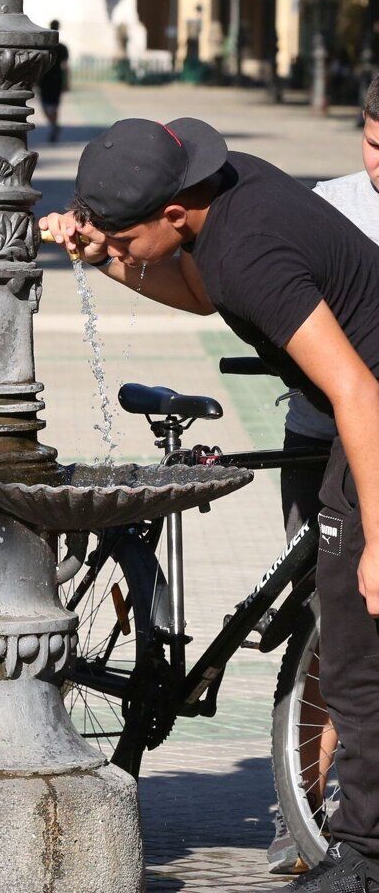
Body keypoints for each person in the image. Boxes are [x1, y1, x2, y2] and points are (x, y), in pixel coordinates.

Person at [40, 117, 379, 892]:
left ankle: (362, 858)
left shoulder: (249, 251)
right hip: (354, 410)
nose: (117, 254)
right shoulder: (224, 193)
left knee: (353, 653)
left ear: (171, 214)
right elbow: (197, 293)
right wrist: (108, 263)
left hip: (368, 415)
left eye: (122, 241)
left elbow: (358, 389)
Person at [266, 80, 379, 874]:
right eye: (375, 143)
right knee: (327, 628)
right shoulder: (330, 205)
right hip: (322, 436)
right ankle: (298, 810)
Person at [39, 19, 69, 141]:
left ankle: (53, 125)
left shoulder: (45, 47)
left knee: (46, 106)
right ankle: (54, 125)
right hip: (54, 80)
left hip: (47, 80)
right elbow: (66, 67)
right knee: (52, 107)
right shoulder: (61, 48)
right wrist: (66, 82)